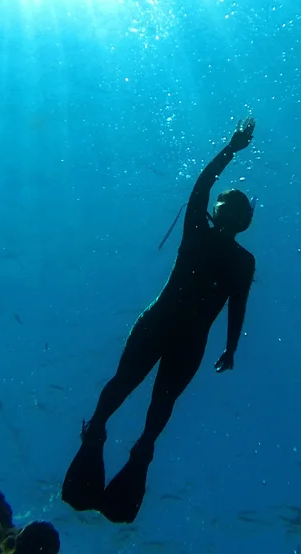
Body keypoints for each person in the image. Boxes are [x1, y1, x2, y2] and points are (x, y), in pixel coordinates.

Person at [61, 117, 258, 524]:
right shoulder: (212, 240)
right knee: (133, 388)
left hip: (172, 330)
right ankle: (110, 437)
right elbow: (201, 187)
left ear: (234, 217)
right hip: (172, 330)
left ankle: (127, 445)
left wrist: (232, 347)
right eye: (229, 203)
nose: (226, 208)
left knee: (149, 395)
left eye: (232, 206)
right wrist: (230, 149)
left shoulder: (228, 251)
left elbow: (238, 304)